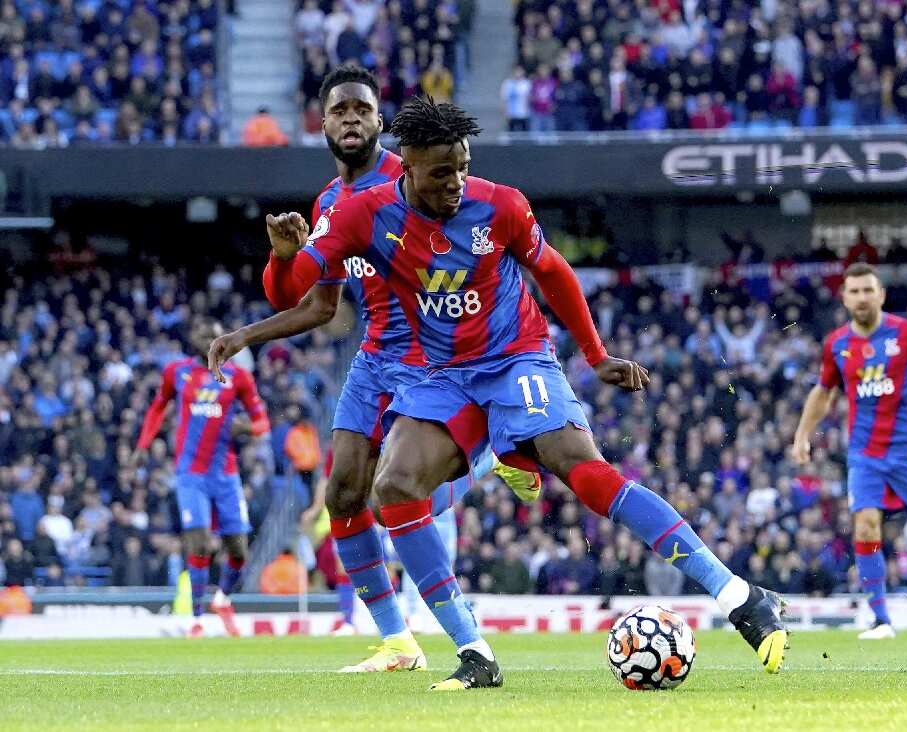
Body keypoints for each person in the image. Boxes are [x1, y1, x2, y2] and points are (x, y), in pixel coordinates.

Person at [244, 96, 788, 690]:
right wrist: (281, 255)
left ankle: (740, 595)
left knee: (583, 470)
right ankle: (474, 651)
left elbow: (551, 270)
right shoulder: (363, 214)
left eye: (462, 165)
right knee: (392, 487)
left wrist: (597, 354)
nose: (456, 181)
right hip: (438, 375)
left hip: (514, 358)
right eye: (440, 172)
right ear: (407, 168)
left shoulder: (498, 203)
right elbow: (292, 290)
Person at [208, 67, 539, 671]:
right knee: (342, 495)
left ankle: (491, 455)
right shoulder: (330, 204)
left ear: (380, 121)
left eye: (362, 108)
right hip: (373, 359)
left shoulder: (413, 178)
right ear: (324, 124)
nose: (352, 118)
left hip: (429, 359)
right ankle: (396, 642)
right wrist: (244, 334)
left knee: (398, 496)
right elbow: (319, 305)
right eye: (340, 111)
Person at [791, 263, 907, 639]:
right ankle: (880, 619)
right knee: (865, 524)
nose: (861, 297)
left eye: (867, 290)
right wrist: (802, 435)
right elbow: (823, 391)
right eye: (854, 291)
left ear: (881, 294)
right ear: (844, 297)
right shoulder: (837, 344)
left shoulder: (906, 333)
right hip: (865, 456)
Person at [134, 319, 269, 637]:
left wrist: (246, 428)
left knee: (237, 550)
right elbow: (157, 408)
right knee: (198, 540)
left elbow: (262, 422)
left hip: (225, 474)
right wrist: (143, 444)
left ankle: (222, 599)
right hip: (190, 473)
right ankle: (196, 618)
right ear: (191, 338)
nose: (208, 338)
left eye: (214, 334)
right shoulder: (177, 373)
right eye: (202, 333)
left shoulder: (239, 377)